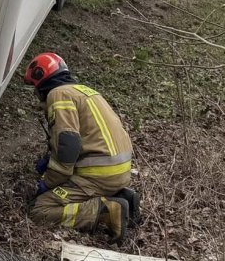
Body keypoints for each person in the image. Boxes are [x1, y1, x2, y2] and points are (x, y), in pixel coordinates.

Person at [23, 51, 140, 241]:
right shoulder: (84, 91)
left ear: (40, 81)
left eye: (35, 89)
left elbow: (68, 145)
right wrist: (49, 159)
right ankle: (124, 197)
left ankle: (106, 212)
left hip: (97, 175)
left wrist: (49, 182)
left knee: (40, 210)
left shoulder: (58, 94)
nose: (36, 95)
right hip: (120, 172)